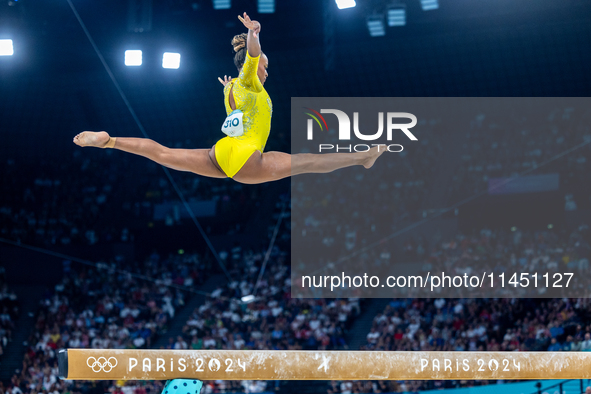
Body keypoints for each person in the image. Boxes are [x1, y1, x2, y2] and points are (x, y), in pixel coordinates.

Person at [73, 12, 385, 184]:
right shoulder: (249, 80)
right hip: (249, 156)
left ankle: (109, 140)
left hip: (223, 153)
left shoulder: (234, 88)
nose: (266, 72)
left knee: (164, 154)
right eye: (265, 66)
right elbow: (251, 57)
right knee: (309, 162)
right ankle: (363, 157)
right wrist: (254, 34)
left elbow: (234, 112)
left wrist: (227, 88)